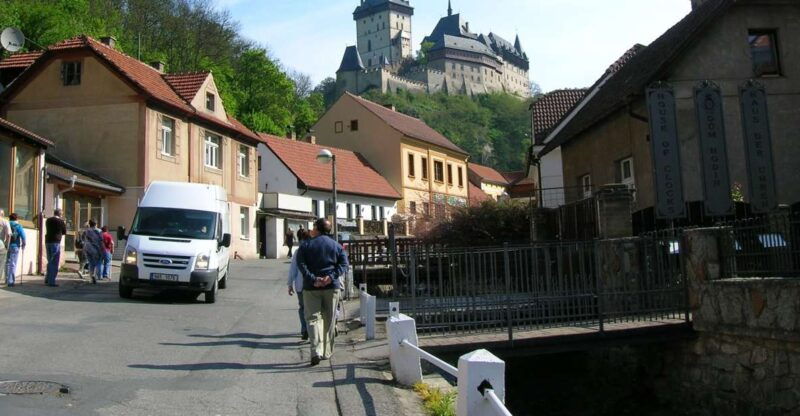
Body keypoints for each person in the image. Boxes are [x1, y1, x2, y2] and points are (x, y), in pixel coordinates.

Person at [296, 218, 349, 365]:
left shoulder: (305, 245)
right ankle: (326, 351)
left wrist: (313, 278)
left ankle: (316, 351)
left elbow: (301, 264)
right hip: (331, 287)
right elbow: (344, 264)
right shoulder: (336, 246)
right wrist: (330, 277)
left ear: (317, 229)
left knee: (313, 319)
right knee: (329, 319)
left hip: (311, 287)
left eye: (313, 227)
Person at [287, 229, 310, 340]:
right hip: (313, 285)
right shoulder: (314, 249)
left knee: (302, 307)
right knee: (313, 309)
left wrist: (290, 284)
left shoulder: (298, 251)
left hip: (300, 285)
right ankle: (311, 330)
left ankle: (304, 329)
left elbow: (293, 269)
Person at [44, 209, 67, 287]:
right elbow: (64, 232)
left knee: (49, 260)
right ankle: (51, 281)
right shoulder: (61, 221)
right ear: (60, 214)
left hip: (48, 241)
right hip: (56, 241)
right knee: (54, 262)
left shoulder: (48, 220)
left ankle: (47, 278)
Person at [5, 213, 26, 288]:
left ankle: (7, 279)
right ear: (17, 218)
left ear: (9, 218)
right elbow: (23, 236)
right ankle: (11, 282)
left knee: (7, 263)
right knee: (13, 264)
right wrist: (23, 244)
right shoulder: (18, 226)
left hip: (7, 245)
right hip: (15, 246)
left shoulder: (7, 224)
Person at [82, 219, 104, 284]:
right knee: (97, 262)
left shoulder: (86, 231)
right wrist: (102, 249)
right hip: (95, 249)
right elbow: (101, 241)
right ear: (96, 224)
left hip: (87, 248)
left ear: (90, 224)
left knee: (91, 263)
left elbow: (83, 240)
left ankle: (91, 277)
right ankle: (96, 276)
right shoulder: (99, 231)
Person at [0, 210, 9, 285]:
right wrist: (7, 244)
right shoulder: (5, 221)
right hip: (1, 245)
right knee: (1, 264)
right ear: (2, 214)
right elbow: (9, 234)